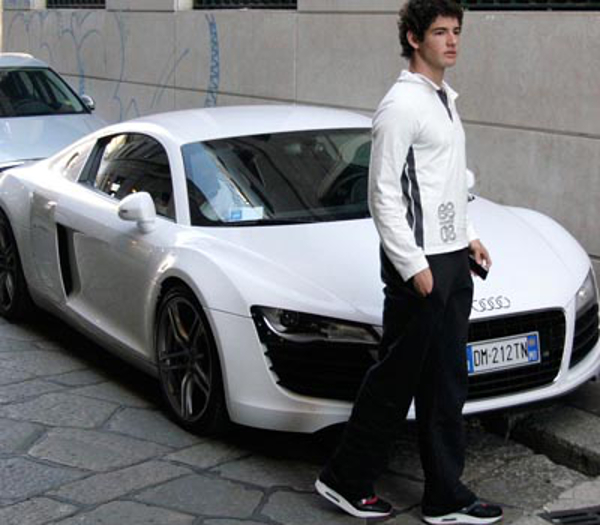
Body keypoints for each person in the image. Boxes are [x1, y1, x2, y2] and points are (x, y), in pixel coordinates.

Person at [315, 0, 503, 523]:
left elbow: (445, 183)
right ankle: (344, 479)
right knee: (395, 382)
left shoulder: (442, 100)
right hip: (420, 266)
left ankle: (445, 497)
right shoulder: (400, 106)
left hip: (450, 259)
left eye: (457, 31)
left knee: (446, 383)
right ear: (414, 38)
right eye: (440, 32)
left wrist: (468, 235)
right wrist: (412, 266)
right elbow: (382, 194)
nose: (452, 41)